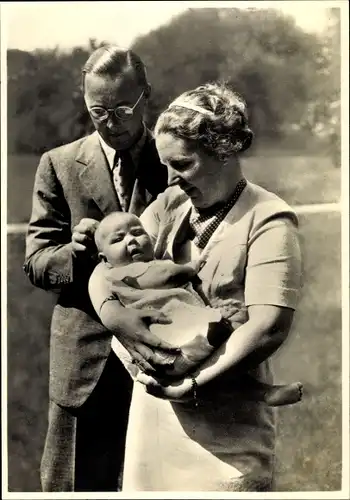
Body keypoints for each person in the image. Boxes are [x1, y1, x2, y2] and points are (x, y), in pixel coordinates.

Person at [89, 82, 303, 492]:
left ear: (223, 151)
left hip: (227, 426)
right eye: (165, 164)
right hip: (156, 414)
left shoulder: (268, 219)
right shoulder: (171, 205)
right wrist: (115, 316)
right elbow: (108, 268)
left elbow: (268, 327)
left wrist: (189, 383)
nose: (170, 177)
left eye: (182, 164)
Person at [22, 45, 176, 492]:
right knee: (75, 484)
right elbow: (36, 264)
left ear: (146, 96)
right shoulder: (59, 164)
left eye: (123, 108)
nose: (111, 122)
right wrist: (75, 251)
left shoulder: (174, 163)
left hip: (163, 351)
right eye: (98, 111)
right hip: (84, 361)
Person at [90, 210, 303, 407]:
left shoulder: (145, 263)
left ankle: (260, 393)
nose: (131, 240)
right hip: (164, 338)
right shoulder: (125, 272)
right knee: (212, 353)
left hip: (173, 331)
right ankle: (212, 343)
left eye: (137, 233)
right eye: (118, 239)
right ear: (104, 259)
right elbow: (168, 276)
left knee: (216, 372)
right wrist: (192, 267)